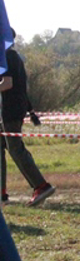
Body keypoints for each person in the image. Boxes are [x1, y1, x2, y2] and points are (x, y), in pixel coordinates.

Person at [0, 29, 55, 206]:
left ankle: (41, 185)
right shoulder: (12, 57)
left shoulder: (8, 56)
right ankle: (2, 192)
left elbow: (7, 84)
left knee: (16, 149)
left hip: (11, 111)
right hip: (11, 109)